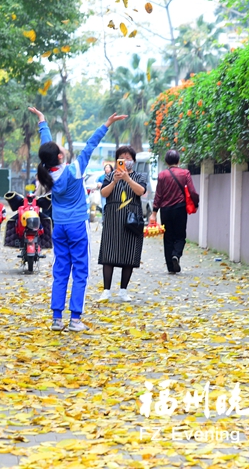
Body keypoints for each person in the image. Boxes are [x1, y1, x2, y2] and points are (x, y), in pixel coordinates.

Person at [30, 106, 127, 332]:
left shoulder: (48, 173)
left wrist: (42, 121)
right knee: (80, 270)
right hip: (77, 226)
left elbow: (47, 146)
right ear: (60, 156)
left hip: (60, 226)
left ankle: (56, 319)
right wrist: (107, 124)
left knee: (60, 270)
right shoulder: (74, 170)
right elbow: (91, 145)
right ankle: (75, 319)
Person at [97, 146, 148, 303]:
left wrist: (127, 179)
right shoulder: (110, 175)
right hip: (113, 218)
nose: (126, 160)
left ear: (133, 160)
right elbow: (104, 193)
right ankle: (106, 290)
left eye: (128, 157)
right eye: (122, 157)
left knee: (130, 252)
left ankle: (123, 290)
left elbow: (140, 191)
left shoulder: (139, 176)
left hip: (132, 219)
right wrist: (114, 181)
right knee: (109, 253)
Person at [150, 150, 199, 274]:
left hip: (165, 210)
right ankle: (176, 255)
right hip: (180, 208)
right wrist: (196, 203)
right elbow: (192, 191)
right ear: (178, 161)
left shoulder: (162, 175)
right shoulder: (185, 173)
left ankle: (170, 267)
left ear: (166, 162)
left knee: (168, 237)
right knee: (180, 236)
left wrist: (154, 212)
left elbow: (158, 195)